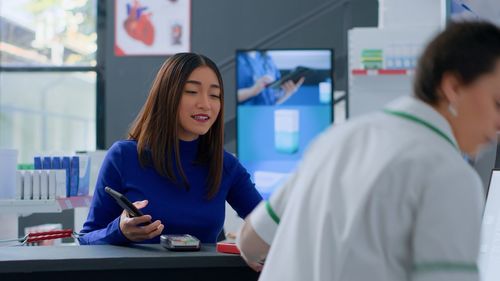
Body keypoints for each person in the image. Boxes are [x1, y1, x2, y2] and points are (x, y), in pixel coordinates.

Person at [237, 21, 500, 281]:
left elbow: (250, 241)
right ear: (453, 87)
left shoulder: (336, 138)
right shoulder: (448, 173)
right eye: (498, 103)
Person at [79, 53, 262, 245]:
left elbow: (269, 226)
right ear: (167, 95)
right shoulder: (124, 156)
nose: (206, 104)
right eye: (192, 91)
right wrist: (119, 231)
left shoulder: (225, 165)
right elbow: (86, 239)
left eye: (215, 95)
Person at [237, 51, 304, 105]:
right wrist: (252, 91)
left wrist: (288, 93)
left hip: (266, 116)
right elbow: (227, 98)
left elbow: (273, 102)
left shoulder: (267, 59)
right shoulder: (236, 58)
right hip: (244, 116)